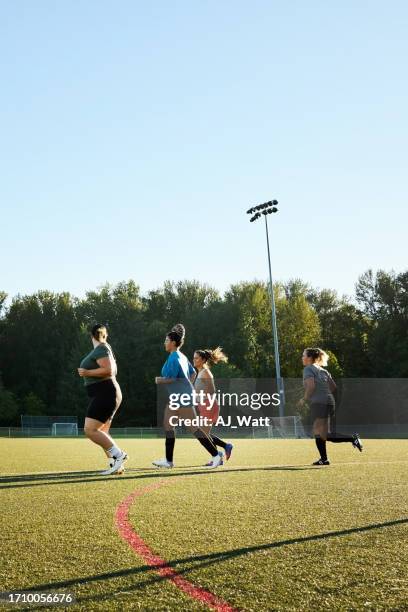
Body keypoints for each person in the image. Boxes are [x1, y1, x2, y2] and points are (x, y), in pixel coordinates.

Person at [152, 324, 222, 469]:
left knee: (194, 428)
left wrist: (159, 380)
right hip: (179, 397)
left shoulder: (174, 358)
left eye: (166, 340)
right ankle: (168, 461)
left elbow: (171, 378)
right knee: (168, 425)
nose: (164, 342)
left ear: (172, 343)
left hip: (181, 398)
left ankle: (216, 456)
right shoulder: (181, 356)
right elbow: (192, 373)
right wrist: (186, 386)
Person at [298, 347, 363, 465]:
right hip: (329, 401)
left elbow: (311, 387)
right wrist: (325, 395)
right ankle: (324, 459)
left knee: (320, 433)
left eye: (304, 355)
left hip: (319, 403)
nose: (302, 358)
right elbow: (333, 387)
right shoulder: (323, 370)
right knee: (323, 433)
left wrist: (304, 399)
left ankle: (351, 439)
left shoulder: (308, 369)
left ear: (310, 358)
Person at [78, 324, 127, 475]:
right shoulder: (105, 348)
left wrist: (87, 372)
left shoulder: (102, 348)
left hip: (106, 393)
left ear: (91, 336)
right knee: (103, 432)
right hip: (107, 393)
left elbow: (109, 370)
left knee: (90, 429)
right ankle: (115, 463)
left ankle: (119, 456)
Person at [193, 347, 233, 464]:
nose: (194, 360)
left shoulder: (205, 372)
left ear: (203, 360)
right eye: (193, 358)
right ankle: (223, 449)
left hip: (208, 405)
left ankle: (217, 455)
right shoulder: (200, 372)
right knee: (204, 434)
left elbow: (212, 391)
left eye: (196, 358)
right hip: (204, 405)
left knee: (201, 434)